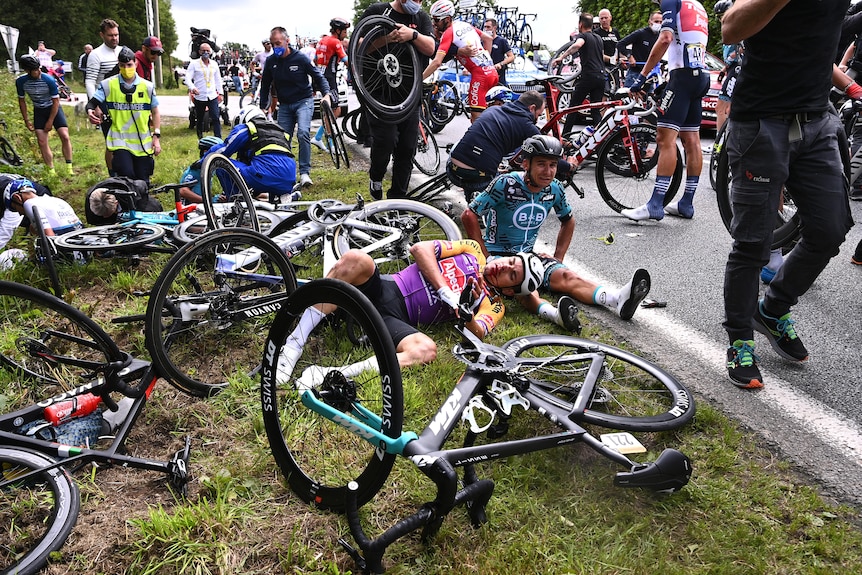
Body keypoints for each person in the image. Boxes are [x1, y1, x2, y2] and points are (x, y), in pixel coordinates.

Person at [719, 0, 854, 389]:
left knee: (830, 229)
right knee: (753, 242)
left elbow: (811, 45)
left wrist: (849, 85)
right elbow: (730, 28)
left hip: (817, 120)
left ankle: (773, 308)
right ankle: (740, 339)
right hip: (762, 121)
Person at [277, 239, 552, 379]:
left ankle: (328, 374)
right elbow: (420, 249)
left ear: (508, 291)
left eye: (511, 275)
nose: (504, 266)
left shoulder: (494, 304)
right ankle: (293, 344)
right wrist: (446, 291)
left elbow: (478, 331)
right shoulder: (472, 249)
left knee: (426, 350)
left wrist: (466, 312)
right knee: (355, 259)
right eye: (511, 261)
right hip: (386, 287)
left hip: (397, 318)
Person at [462, 134, 651, 327]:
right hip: (499, 256)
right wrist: (482, 254)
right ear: (526, 164)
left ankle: (616, 299)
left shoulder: (555, 189)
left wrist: (558, 258)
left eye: (553, 165)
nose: (548, 171)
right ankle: (554, 315)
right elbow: (469, 214)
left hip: (528, 256)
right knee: (525, 288)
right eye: (541, 164)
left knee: (567, 276)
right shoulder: (506, 183)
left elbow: (568, 221)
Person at [621, 0, 710, 222]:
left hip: (683, 77)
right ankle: (686, 204)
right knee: (692, 140)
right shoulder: (697, 5)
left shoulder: (673, 0)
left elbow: (666, 38)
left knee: (665, 139)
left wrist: (641, 77)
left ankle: (655, 204)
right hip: (700, 76)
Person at [361, 0, 436, 200]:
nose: (417, 2)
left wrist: (412, 35)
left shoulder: (420, 17)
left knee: (407, 148)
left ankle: (398, 200)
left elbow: (430, 48)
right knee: (386, 141)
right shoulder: (377, 11)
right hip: (380, 94)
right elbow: (360, 45)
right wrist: (388, 38)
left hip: (410, 95)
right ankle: (376, 176)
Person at [260, 26, 335, 190]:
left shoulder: (300, 58)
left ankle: (305, 172)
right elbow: (265, 85)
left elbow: (318, 76)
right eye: (273, 44)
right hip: (285, 105)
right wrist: (262, 108)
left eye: (278, 43)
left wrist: (326, 94)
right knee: (282, 140)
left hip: (304, 101)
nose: (275, 47)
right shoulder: (271, 61)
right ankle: (287, 173)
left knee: (303, 133)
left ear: (287, 41)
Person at [446, 89, 546, 201]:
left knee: (464, 147)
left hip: (452, 170)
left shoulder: (494, 109)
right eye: (539, 115)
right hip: (480, 178)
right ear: (532, 108)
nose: (537, 119)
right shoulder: (527, 126)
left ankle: (472, 202)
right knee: (515, 191)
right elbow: (548, 158)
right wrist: (568, 166)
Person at [85, 46, 161, 183]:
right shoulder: (108, 85)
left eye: (129, 65)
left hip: (142, 143)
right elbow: (92, 103)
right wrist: (90, 111)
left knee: (143, 182)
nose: (126, 68)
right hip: (120, 141)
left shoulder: (147, 86)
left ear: (135, 63)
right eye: (122, 65)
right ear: (118, 65)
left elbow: (155, 111)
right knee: (126, 177)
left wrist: (156, 136)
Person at [422, 0, 498, 123]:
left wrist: (420, 80)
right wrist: (486, 58)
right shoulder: (464, 24)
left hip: (480, 77)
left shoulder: (449, 33)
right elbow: (488, 39)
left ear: (447, 19)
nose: (433, 23)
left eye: (436, 20)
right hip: (491, 72)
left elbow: (437, 62)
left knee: (477, 121)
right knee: (487, 118)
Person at [203, 105, 298, 203]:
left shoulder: (246, 128)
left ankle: (236, 202)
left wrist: (203, 161)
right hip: (289, 179)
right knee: (261, 166)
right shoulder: (281, 133)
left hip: (263, 176)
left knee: (221, 164)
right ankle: (281, 198)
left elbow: (223, 150)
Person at [15, 54, 74, 175]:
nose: (38, 71)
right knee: (42, 141)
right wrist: (26, 120)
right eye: (35, 70)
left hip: (54, 109)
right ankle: (51, 171)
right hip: (39, 110)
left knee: (64, 136)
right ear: (27, 71)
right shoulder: (21, 82)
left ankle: (69, 167)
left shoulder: (49, 79)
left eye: (39, 68)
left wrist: (50, 121)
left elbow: (56, 101)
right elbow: (22, 101)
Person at [550, 14, 606, 135]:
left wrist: (561, 57)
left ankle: (564, 136)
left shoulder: (583, 36)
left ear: (580, 24)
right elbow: (601, 57)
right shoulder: (599, 38)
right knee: (595, 110)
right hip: (601, 77)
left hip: (588, 76)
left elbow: (577, 45)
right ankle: (602, 139)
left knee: (573, 107)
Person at [311, 18, 350, 150]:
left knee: (329, 109)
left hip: (320, 76)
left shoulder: (323, 40)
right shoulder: (335, 42)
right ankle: (327, 141)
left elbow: (315, 59)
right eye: (345, 31)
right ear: (338, 31)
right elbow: (346, 60)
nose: (346, 33)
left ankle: (319, 137)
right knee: (335, 109)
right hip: (329, 77)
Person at [0, 174, 51, 269]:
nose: (19, 214)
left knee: (47, 237)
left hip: (21, 195)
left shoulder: (17, 199)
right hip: (22, 193)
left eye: (14, 209)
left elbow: (6, 229)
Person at [4, 178, 82, 237]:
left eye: (15, 208)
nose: (20, 214)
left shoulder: (29, 203)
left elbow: (49, 237)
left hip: (64, 243)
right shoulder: (55, 200)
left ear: (17, 198)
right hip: (79, 235)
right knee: (32, 228)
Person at [185, 43, 223, 140]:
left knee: (215, 117)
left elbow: (218, 79)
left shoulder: (214, 64)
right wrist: (192, 87)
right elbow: (188, 78)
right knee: (200, 119)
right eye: (203, 51)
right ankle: (200, 138)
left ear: (210, 52)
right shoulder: (194, 64)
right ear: (199, 52)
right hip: (200, 95)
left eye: (207, 51)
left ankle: (218, 139)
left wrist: (221, 93)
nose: (205, 52)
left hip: (212, 95)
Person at [617, 12, 663, 90]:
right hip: (635, 73)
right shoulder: (640, 33)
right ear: (650, 21)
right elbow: (620, 44)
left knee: (648, 99)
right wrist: (629, 56)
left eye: (661, 22)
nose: (658, 24)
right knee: (628, 99)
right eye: (656, 21)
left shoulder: (660, 37)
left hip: (649, 76)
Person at [178, 136, 224, 203]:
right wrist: (208, 201)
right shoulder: (197, 169)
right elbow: (183, 191)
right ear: (206, 152)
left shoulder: (210, 168)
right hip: (189, 207)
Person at [86, 19, 122, 100]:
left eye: (116, 35)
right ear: (102, 35)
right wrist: (94, 104)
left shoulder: (123, 51)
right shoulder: (96, 54)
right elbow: (90, 82)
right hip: (103, 99)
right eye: (110, 35)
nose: (114, 38)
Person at [484, 18, 515, 87]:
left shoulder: (501, 41)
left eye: (488, 27)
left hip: (498, 77)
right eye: (485, 27)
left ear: (494, 28)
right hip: (485, 76)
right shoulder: (482, 41)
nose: (486, 29)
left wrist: (501, 64)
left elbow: (511, 57)